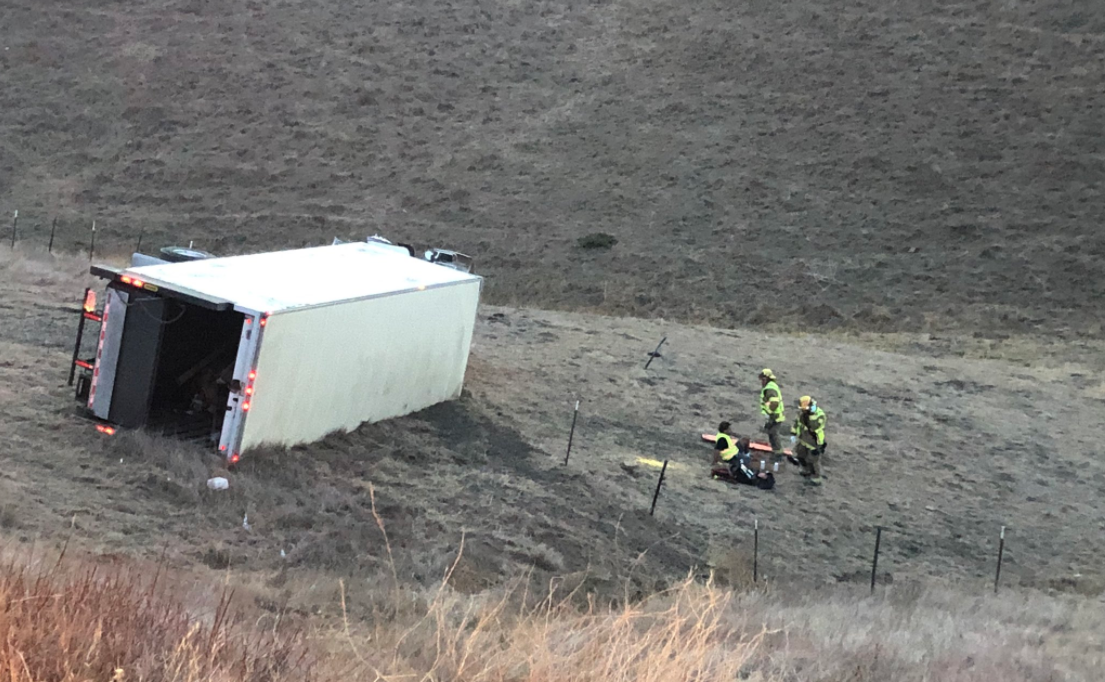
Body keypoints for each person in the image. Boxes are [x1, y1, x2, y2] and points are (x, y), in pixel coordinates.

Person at [712, 422, 774, 489]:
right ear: (725, 430)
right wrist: (715, 461)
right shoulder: (722, 439)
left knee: (745, 439)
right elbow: (717, 451)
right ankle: (747, 457)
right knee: (752, 461)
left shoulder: (725, 436)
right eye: (729, 429)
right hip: (732, 457)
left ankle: (747, 455)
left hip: (735, 451)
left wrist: (734, 434)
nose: (731, 430)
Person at [790, 395, 827, 485]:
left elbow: (814, 427)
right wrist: (793, 433)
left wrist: (819, 446)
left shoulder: (819, 415)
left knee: (812, 460)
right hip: (803, 439)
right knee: (800, 455)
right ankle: (805, 470)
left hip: (814, 442)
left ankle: (816, 478)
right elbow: (797, 423)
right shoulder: (803, 414)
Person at [758, 369, 786, 463]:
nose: (761, 381)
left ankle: (778, 454)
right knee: (771, 433)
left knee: (774, 434)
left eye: (762, 379)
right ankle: (776, 452)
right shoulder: (771, 386)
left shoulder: (769, 389)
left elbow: (774, 403)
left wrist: (770, 415)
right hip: (775, 416)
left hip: (775, 417)